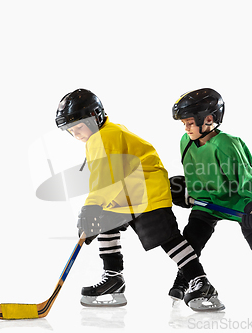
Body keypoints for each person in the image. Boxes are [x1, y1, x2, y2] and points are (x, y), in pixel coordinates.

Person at [54, 88, 225, 312]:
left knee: (168, 239)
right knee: (105, 224)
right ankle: (113, 278)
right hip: (126, 194)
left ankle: (201, 281)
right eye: (71, 130)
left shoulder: (105, 136)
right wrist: (96, 212)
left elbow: (105, 178)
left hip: (146, 191)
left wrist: (91, 208)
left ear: (95, 117)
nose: (77, 134)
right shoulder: (100, 136)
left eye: (79, 127)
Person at [168, 88, 252, 308]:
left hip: (237, 201)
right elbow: (195, 174)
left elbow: (247, 176)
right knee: (191, 238)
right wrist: (187, 193)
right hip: (208, 202)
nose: (186, 128)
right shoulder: (186, 141)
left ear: (209, 119)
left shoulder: (228, 144)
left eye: (189, 123)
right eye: (183, 123)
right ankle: (188, 277)